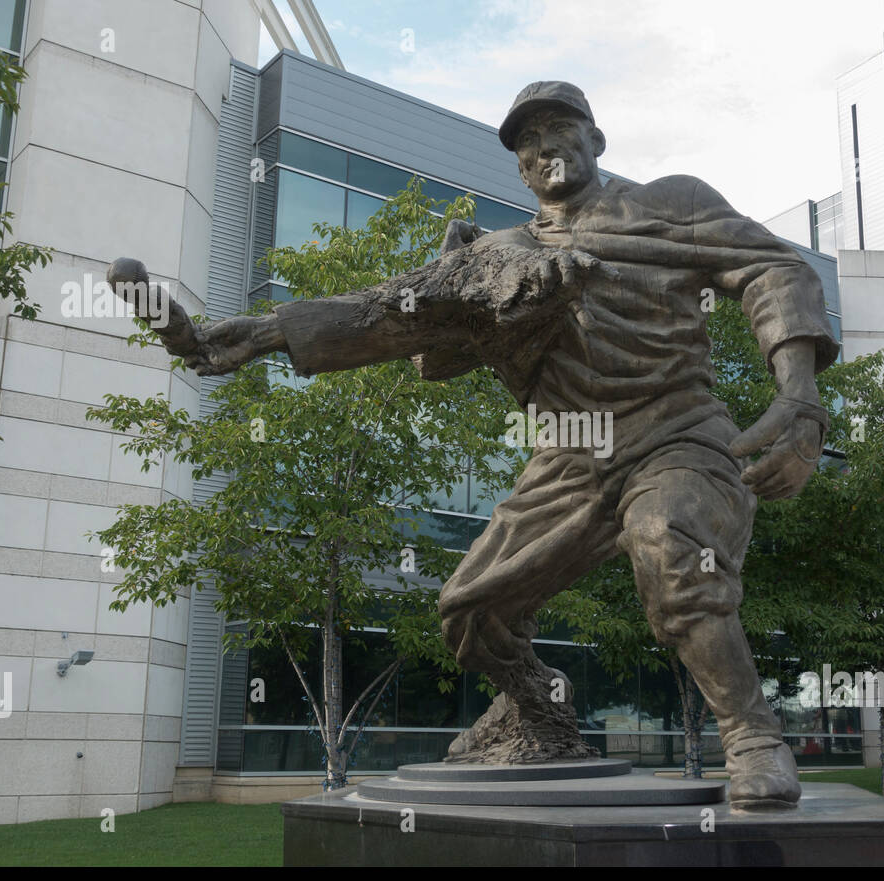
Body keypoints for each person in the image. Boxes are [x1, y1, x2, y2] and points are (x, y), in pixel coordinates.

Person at [123, 82, 837, 809]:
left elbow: (776, 269)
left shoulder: (670, 204)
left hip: (676, 432)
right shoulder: (498, 257)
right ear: (521, 172)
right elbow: (382, 314)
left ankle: (753, 741)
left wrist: (800, 395)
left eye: (560, 128)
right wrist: (254, 335)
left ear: (596, 139)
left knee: (669, 538)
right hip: (568, 456)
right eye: (528, 143)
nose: (545, 147)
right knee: (468, 610)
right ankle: (538, 712)